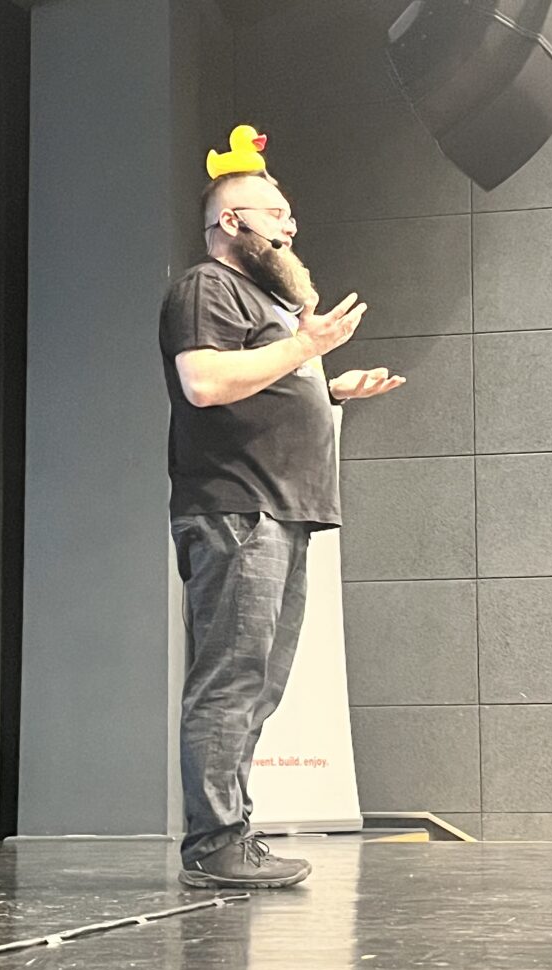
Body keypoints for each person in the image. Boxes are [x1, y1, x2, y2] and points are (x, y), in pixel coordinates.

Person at [159, 153, 405, 890]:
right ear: (231, 221)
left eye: (291, 215)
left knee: (257, 683)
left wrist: (330, 389)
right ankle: (213, 844)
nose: (291, 225)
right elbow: (204, 381)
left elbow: (262, 391)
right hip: (239, 508)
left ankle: (231, 833)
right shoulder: (209, 286)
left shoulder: (261, 303)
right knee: (231, 681)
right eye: (275, 213)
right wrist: (306, 346)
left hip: (279, 511)